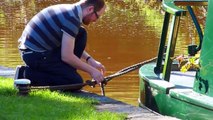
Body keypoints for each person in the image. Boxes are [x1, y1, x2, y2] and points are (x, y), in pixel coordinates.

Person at [16, 0, 106, 90]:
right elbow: (66, 56)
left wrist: (89, 60)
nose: (95, 21)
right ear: (90, 9)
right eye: (97, 16)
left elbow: (69, 45)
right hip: (35, 55)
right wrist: (92, 71)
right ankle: (26, 74)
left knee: (81, 33)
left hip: (34, 52)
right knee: (75, 82)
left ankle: (65, 73)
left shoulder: (70, 11)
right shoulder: (72, 18)